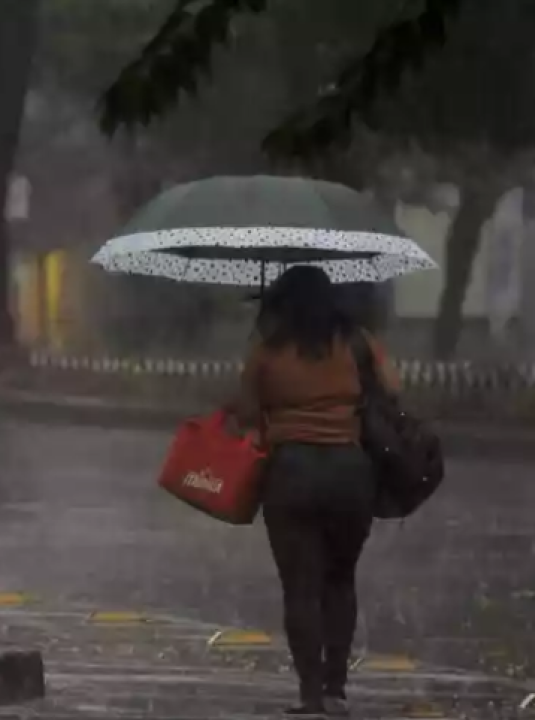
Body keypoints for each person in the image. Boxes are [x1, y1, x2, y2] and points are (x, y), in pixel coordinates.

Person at [230, 265, 400, 717]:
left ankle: (309, 693)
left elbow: (246, 413)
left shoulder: (267, 350)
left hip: (291, 472)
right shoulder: (358, 342)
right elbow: (393, 392)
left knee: (301, 589)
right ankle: (335, 689)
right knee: (340, 580)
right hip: (350, 472)